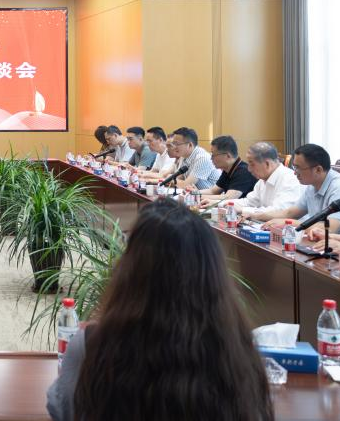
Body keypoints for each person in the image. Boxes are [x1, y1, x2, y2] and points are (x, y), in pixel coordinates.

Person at [46, 199, 272, 421]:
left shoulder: (92, 345)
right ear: (214, 275)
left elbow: (61, 407)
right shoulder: (238, 349)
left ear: (131, 270)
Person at [258, 144, 340, 233]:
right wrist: (255, 215)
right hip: (327, 241)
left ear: (318, 170)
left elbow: (330, 228)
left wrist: (288, 223)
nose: (295, 173)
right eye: (294, 167)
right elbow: (290, 213)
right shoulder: (312, 185)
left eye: (298, 168)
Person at [235, 142, 305, 218]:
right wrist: (227, 204)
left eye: (252, 164)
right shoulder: (262, 180)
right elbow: (249, 202)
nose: (249, 169)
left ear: (267, 164)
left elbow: (279, 212)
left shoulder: (290, 180)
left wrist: (243, 210)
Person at [201, 135, 258, 202]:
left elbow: (229, 198)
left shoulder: (244, 171)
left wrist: (197, 197)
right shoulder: (228, 169)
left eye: (213, 155)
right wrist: (193, 192)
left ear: (228, 156)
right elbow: (213, 191)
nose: (211, 158)